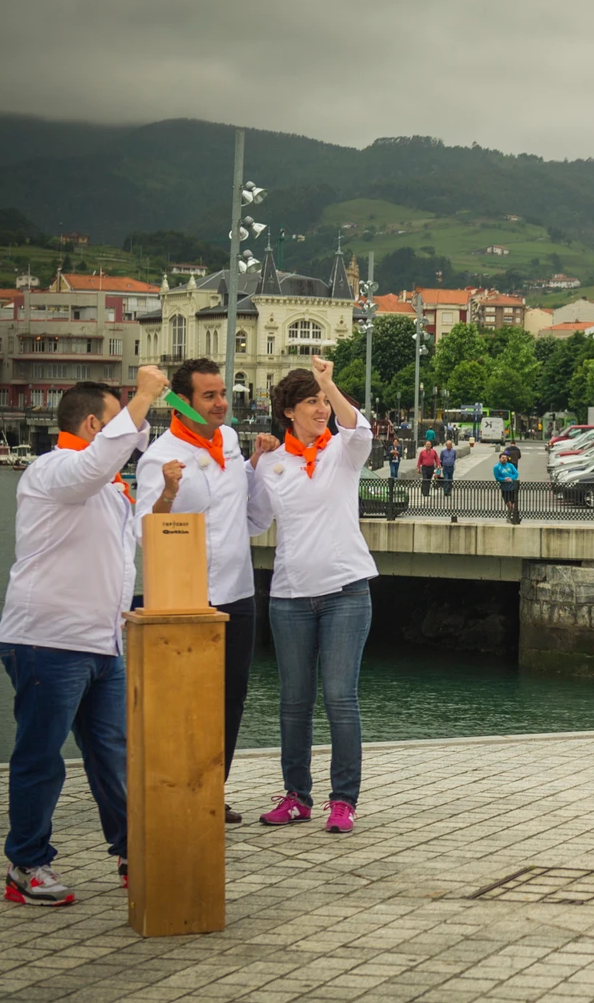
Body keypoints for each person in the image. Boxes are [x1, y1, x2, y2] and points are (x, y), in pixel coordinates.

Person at [0, 366, 168, 905]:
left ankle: (129, 850)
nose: (131, 436)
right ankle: (26, 865)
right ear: (94, 425)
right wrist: (142, 394)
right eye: (119, 422)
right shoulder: (53, 470)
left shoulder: (107, 486)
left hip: (102, 643)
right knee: (41, 756)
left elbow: (137, 538)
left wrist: (166, 498)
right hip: (48, 639)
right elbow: (97, 463)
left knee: (114, 754)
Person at [134, 358, 276, 825]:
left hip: (237, 590)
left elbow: (251, 518)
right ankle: (176, 790)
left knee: (231, 697)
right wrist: (169, 493)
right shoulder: (160, 456)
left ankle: (214, 790)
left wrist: (258, 465)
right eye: (210, 396)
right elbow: (143, 532)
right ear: (181, 401)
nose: (222, 404)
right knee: (182, 700)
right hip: (185, 596)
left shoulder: (231, 443)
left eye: (224, 394)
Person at [254, 357, 379, 835]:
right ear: (288, 410)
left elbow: (359, 427)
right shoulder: (272, 463)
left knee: (339, 698)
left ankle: (343, 800)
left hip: (347, 591)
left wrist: (329, 382)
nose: (321, 408)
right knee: (294, 701)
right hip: (288, 596)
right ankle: (296, 796)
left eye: (324, 400)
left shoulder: (343, 452)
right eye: (311, 401)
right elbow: (252, 518)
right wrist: (252, 460)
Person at [494, 450, 521, 524]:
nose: (504, 459)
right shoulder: (496, 467)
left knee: (514, 505)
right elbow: (497, 477)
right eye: (502, 458)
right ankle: (509, 517)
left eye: (505, 458)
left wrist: (511, 478)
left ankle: (512, 517)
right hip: (504, 488)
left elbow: (516, 474)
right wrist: (504, 479)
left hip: (513, 488)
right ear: (499, 459)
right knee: (509, 505)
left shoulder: (510, 465)